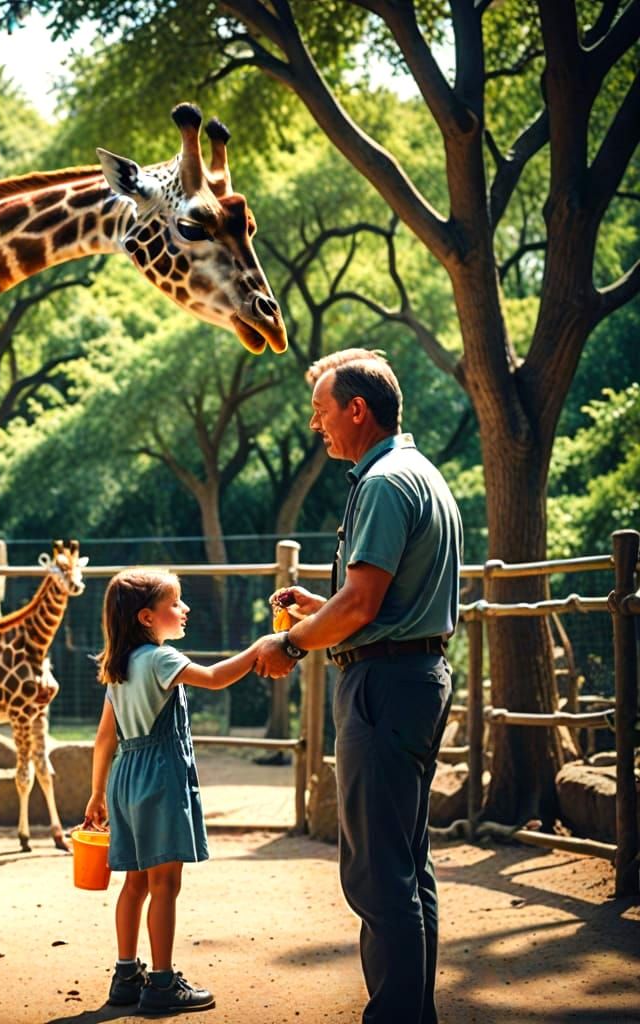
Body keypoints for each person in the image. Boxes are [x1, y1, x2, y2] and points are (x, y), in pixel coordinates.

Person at [253, 348, 463, 1024]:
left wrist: (290, 641)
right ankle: (413, 1012)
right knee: (406, 863)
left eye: (321, 413)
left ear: (356, 410)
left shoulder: (380, 483)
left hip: (382, 685)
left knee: (376, 871)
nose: (318, 427)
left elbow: (364, 608)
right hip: (417, 676)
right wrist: (324, 605)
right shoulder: (422, 474)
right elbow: (380, 600)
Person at [84, 568, 260, 1015]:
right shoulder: (161, 659)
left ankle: (126, 976)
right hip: (160, 776)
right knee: (165, 884)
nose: (184, 609)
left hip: (125, 777)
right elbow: (217, 677)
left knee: (135, 882)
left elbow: (105, 736)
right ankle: (161, 984)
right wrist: (261, 648)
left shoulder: (119, 666)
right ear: (147, 616)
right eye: (175, 604)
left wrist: (96, 794)